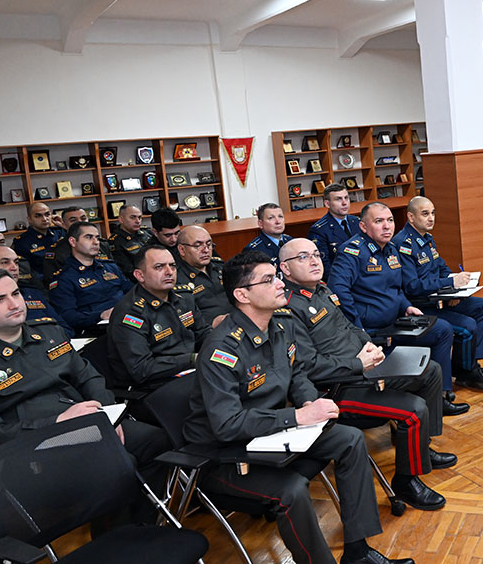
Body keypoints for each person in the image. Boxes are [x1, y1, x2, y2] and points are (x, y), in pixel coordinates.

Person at [183, 251, 415, 564]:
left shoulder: (280, 324)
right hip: (224, 454)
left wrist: (309, 399)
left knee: (349, 439)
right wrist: (298, 416)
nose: (280, 284)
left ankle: (358, 551)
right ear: (242, 295)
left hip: (273, 435)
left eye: (276, 276)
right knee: (291, 489)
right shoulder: (222, 347)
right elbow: (227, 424)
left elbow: (297, 375)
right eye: (268, 280)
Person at [280, 237, 455, 511]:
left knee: (430, 370)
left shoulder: (322, 291)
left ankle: (421, 449)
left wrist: (367, 344)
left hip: (363, 366)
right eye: (303, 257)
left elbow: (348, 327)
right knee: (413, 409)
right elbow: (307, 367)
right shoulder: (287, 309)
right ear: (285, 269)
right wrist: (357, 363)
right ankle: (406, 482)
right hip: (337, 388)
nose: (314, 260)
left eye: (315, 254)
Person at [0, 269, 168, 493]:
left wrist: (107, 416)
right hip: (34, 445)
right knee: (117, 465)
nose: (14, 304)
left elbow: (89, 377)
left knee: (156, 440)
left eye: (16, 294)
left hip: (89, 422)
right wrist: (59, 421)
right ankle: (114, 526)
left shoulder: (49, 333)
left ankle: (141, 522)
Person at [327, 202, 466, 409]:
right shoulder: (352, 252)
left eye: (390, 221)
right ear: (364, 227)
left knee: (442, 330)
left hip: (395, 321)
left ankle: (442, 395)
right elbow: (338, 292)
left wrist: (406, 306)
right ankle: (419, 398)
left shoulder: (391, 249)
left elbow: (397, 288)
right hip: (371, 330)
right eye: (379, 221)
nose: (387, 226)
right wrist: (358, 330)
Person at [395, 196, 483, 391]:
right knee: (467, 326)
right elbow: (413, 286)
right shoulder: (403, 244)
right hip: (423, 305)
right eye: (425, 214)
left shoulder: (427, 238)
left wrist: (455, 287)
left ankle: (470, 365)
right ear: (411, 217)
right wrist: (448, 283)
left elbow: (441, 268)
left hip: (440, 297)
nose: (431, 218)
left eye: (433, 213)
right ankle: (467, 372)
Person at [108, 245, 210, 392]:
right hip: (153, 386)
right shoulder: (131, 313)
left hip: (190, 371)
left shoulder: (184, 298)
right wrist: (191, 360)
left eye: (173, 266)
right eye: (159, 267)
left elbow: (204, 333)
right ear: (140, 275)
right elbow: (141, 369)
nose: (169, 272)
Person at [49, 222, 129, 334]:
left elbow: (132, 291)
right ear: (73, 241)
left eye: (97, 238)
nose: (96, 242)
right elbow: (68, 316)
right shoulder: (64, 278)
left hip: (127, 320)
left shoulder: (110, 267)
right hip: (97, 329)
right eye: (89, 237)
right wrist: (101, 315)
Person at [174, 225, 228, 327]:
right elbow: (182, 320)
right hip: (209, 333)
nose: (206, 250)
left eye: (209, 244)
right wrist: (213, 323)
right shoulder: (176, 279)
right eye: (198, 246)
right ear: (182, 250)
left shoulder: (219, 266)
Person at [307, 184, 361, 274]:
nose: (344, 203)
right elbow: (324, 266)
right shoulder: (319, 230)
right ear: (327, 204)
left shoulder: (357, 222)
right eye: (338, 199)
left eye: (346, 198)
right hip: (340, 278)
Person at [12, 202, 66, 276]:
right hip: (44, 282)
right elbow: (26, 271)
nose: (44, 219)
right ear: (29, 220)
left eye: (47, 214)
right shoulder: (21, 242)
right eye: (38, 216)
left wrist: (64, 225)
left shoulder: (60, 231)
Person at [110, 205, 153, 281]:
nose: (138, 221)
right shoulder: (115, 242)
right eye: (133, 217)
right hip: (140, 281)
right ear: (121, 219)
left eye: (139, 217)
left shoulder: (148, 233)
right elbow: (128, 271)